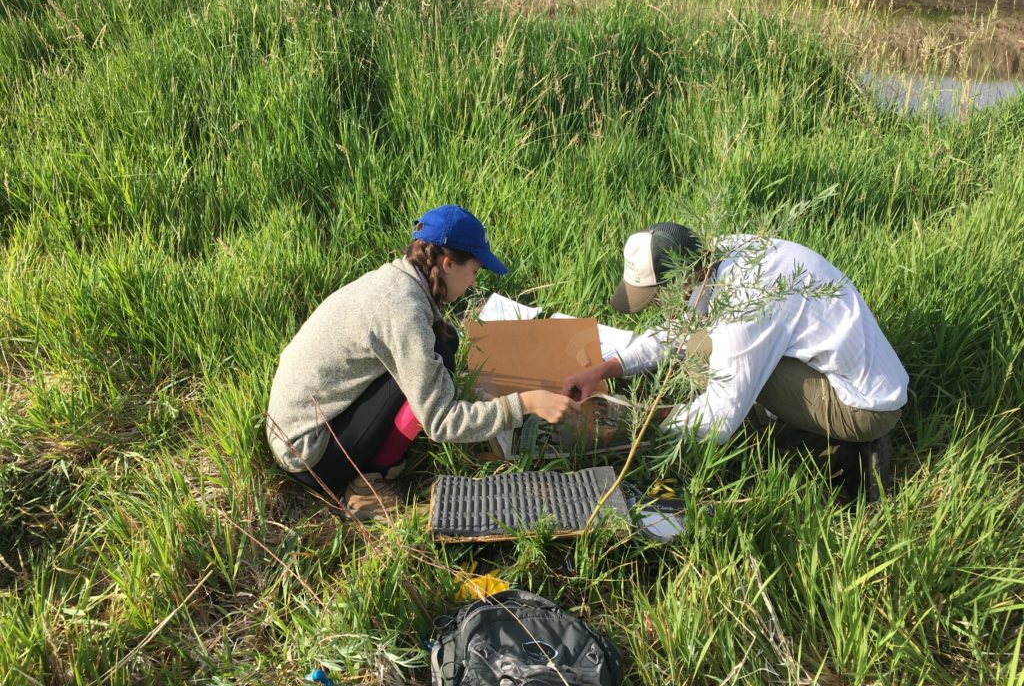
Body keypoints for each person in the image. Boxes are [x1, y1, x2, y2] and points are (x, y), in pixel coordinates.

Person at [267, 204, 578, 518]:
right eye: (474, 271)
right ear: (447, 264)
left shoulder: (398, 281)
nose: (473, 282)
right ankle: (367, 485)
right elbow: (440, 422)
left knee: (443, 344)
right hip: (311, 455)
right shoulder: (403, 312)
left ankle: (377, 457)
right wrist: (525, 404)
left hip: (300, 425)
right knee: (429, 366)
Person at [563, 223, 909, 500]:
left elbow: (719, 419)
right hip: (844, 370)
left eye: (657, 298)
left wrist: (635, 423)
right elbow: (678, 333)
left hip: (864, 407)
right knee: (705, 347)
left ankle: (846, 453)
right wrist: (608, 367)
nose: (656, 308)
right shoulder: (714, 257)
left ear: (687, 280)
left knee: (726, 373)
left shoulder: (748, 302)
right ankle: (788, 422)